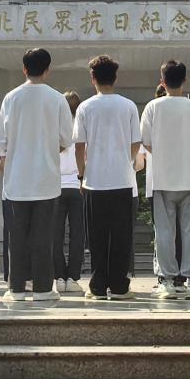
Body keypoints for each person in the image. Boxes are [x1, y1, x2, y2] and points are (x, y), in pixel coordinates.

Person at [0, 48, 72, 302]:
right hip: (46, 179)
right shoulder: (57, 99)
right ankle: (42, 289)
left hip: (17, 179)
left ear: (24, 69)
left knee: (17, 237)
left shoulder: (11, 98)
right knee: (44, 237)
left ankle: (16, 289)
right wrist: (48, 150)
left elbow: (1, 141)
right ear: (48, 70)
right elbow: (66, 139)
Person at [140, 60, 190, 300]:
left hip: (162, 178)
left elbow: (146, 142)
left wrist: (163, 153)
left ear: (162, 81)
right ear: (185, 80)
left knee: (164, 231)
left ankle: (167, 281)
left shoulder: (152, 107)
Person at [73, 54, 141, 301]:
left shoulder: (85, 107)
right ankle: (120, 286)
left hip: (95, 181)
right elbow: (136, 142)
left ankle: (98, 286)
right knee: (122, 236)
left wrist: (82, 174)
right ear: (115, 76)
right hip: (123, 180)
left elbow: (79, 145)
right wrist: (125, 161)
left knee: (97, 236)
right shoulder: (128, 106)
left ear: (93, 77)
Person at [54, 91, 86, 293]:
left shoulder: (55, 126)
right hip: (77, 184)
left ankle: (59, 276)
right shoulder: (81, 126)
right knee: (77, 234)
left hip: (56, 186)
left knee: (56, 234)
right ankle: (73, 277)